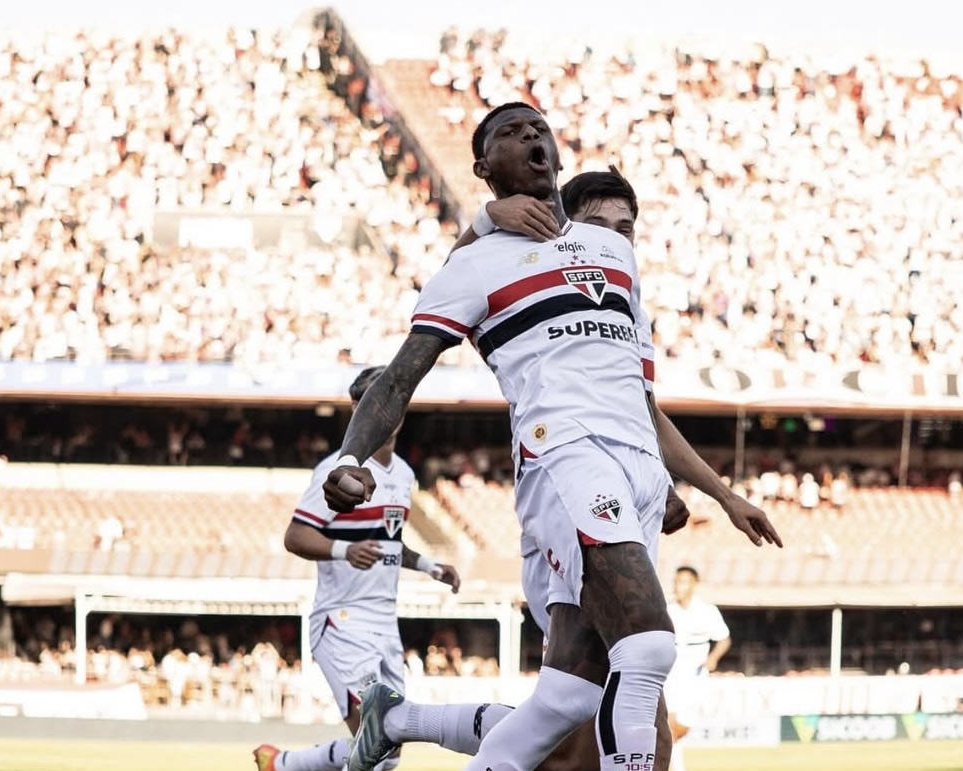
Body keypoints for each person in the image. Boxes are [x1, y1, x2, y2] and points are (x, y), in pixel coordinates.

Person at [323, 102, 781, 771]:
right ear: (482, 167)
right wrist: (349, 455)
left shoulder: (616, 256)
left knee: (571, 695)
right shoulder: (476, 264)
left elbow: (640, 399)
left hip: (633, 470)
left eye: (538, 127)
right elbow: (398, 376)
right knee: (649, 650)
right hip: (562, 453)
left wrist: (707, 490)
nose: (531, 136)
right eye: (510, 132)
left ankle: (396, 720)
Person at [252, 366, 463, 771]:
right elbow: (296, 536)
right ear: (357, 410)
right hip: (343, 620)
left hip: (384, 622)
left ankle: (282, 765)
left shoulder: (403, 474)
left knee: (389, 752)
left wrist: (430, 566)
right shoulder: (336, 471)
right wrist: (343, 550)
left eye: (392, 401)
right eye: (371, 403)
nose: (385, 411)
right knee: (377, 738)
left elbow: (389, 542)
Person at [664, 566, 731, 771]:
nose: (679, 586)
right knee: (668, 725)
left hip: (695, 676)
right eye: (677, 582)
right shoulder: (668, 611)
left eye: (684, 582)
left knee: (682, 726)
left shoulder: (707, 611)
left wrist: (713, 658)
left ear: (694, 584)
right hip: (671, 675)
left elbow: (724, 640)